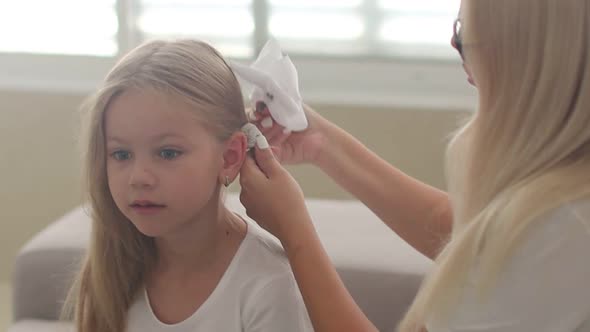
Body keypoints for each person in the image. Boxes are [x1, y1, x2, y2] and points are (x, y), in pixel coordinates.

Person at [239, 0, 590, 331]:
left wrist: (294, 230)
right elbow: (467, 233)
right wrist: (322, 144)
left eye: (466, 37)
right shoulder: (561, 190)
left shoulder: (563, 231)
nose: (455, 47)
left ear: (529, 61)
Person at [62, 39, 312, 332]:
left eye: (168, 153)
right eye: (121, 154)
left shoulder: (269, 286)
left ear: (230, 157)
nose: (138, 177)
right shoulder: (114, 273)